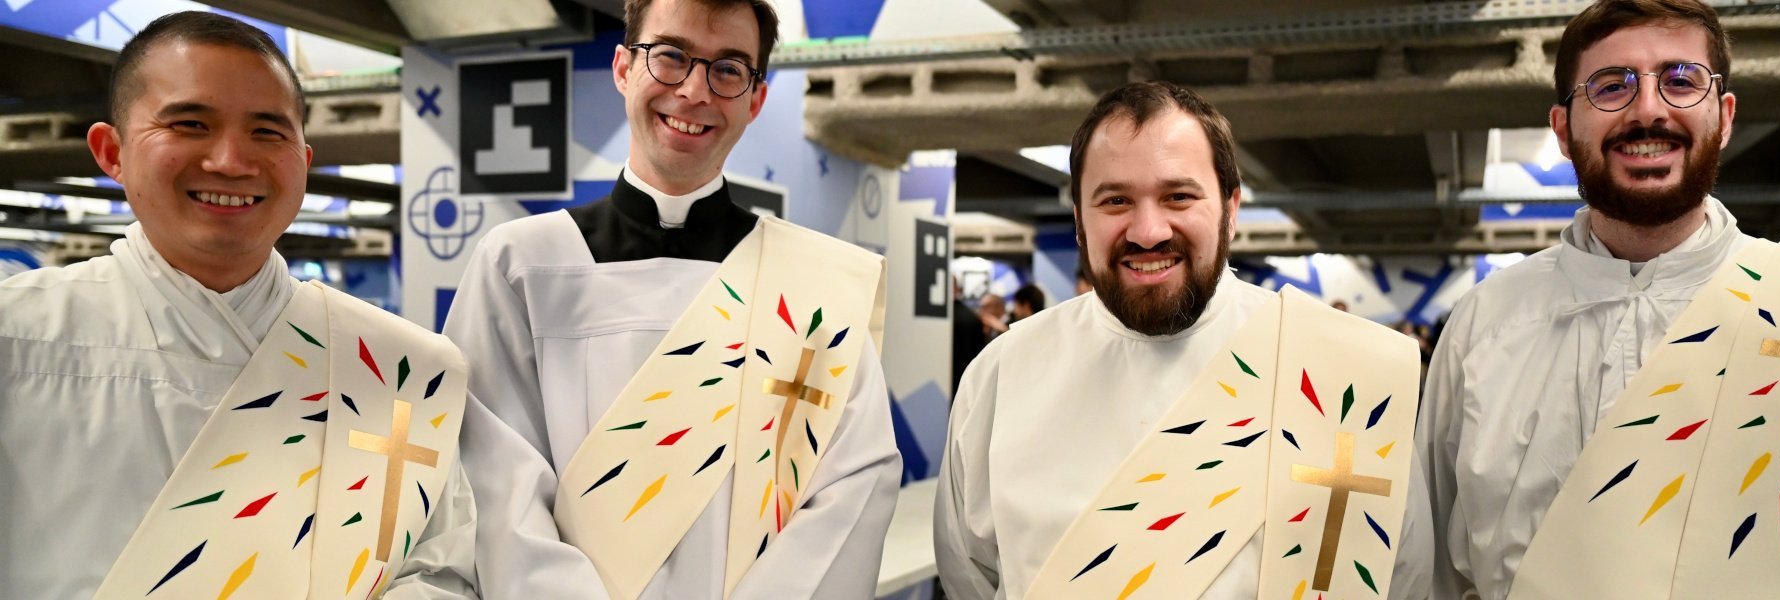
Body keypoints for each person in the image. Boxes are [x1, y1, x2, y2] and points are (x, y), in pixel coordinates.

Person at [1418, 1, 1780, 598]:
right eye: (1610, 86)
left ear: (1725, 117)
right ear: (1561, 129)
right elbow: (1427, 570)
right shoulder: (1486, 322)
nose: (1649, 109)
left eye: (1681, 81)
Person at [0, 12, 477, 597]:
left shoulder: (401, 367)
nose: (230, 160)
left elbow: (443, 567)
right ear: (111, 151)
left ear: (303, 162)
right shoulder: (16, 333)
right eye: (191, 123)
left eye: (267, 132)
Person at [443, 0, 900, 597]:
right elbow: (493, 486)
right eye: (669, 56)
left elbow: (852, 491)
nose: (693, 91)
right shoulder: (522, 266)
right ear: (623, 69)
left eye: (729, 69)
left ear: (756, 99)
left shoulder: (817, 288)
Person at [935, 81, 1432, 600]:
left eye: (1178, 196)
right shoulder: (1004, 374)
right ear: (1080, 220)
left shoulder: (1345, 371)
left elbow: (1404, 574)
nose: (1148, 230)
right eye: (1115, 200)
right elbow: (970, 575)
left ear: (1231, 209)